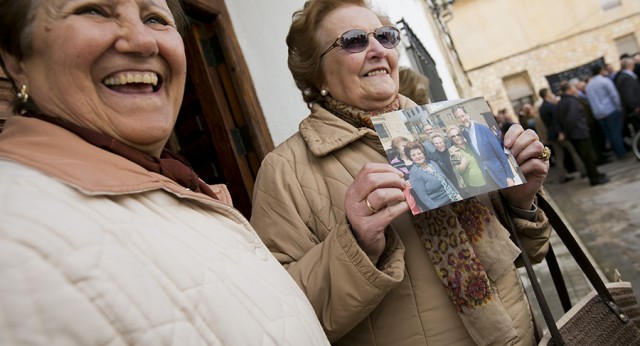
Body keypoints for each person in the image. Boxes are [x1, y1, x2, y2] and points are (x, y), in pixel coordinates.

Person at [0, 1, 330, 344]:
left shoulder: (181, 191)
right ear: (16, 60)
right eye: (93, 10)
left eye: (155, 18)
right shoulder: (15, 237)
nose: (142, 42)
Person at [250, 1, 552, 345]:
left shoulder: (453, 126)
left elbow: (529, 252)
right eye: (353, 40)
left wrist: (520, 198)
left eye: (384, 36)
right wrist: (357, 244)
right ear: (316, 73)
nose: (377, 49)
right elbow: (287, 318)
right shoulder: (284, 171)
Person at [556, 82, 609, 186]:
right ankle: (595, 179)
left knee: (587, 156)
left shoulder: (560, 103)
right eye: (573, 88)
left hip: (575, 134)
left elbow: (558, 121)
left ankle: (596, 174)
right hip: (579, 132)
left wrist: (565, 132)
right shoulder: (571, 101)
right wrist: (567, 132)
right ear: (570, 89)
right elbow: (571, 118)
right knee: (589, 157)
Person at [454, 106, 516, 190]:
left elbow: (500, 152)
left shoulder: (483, 129)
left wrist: (509, 176)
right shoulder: (465, 133)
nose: (462, 119)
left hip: (499, 174)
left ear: (467, 115)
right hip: (486, 177)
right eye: (458, 118)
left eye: (462, 115)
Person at [538, 87, 586, 183]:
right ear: (547, 94)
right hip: (558, 134)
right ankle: (583, 170)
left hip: (551, 135)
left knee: (559, 156)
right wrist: (561, 132)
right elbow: (555, 121)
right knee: (573, 151)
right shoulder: (550, 106)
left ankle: (561, 176)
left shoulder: (542, 107)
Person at [585, 65, 627, 159]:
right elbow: (614, 95)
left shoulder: (588, 86)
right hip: (610, 110)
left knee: (609, 134)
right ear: (600, 71)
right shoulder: (605, 81)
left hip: (598, 114)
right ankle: (621, 153)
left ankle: (617, 152)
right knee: (615, 133)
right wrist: (619, 107)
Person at [405, 141, 462, 209]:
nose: (417, 156)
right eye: (413, 155)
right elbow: (424, 197)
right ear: (410, 158)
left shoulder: (432, 163)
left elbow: (446, 179)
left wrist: (457, 194)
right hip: (440, 205)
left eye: (419, 153)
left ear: (424, 153)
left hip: (453, 197)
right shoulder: (414, 174)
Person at [447, 125, 487, 196]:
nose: (456, 137)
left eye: (458, 134)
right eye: (453, 136)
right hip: (472, 185)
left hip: (485, 177)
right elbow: (456, 171)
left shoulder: (471, 145)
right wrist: (462, 166)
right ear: (451, 139)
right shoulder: (453, 151)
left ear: (462, 135)